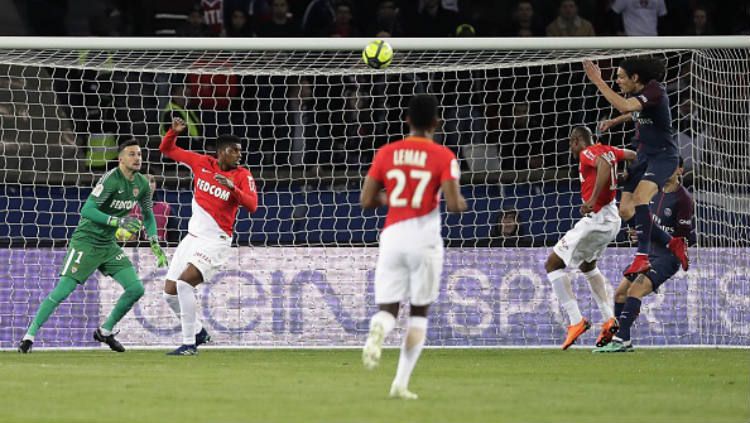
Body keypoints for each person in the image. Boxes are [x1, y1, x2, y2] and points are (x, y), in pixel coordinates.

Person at [360, 94, 467, 399]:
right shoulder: (443, 155)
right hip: (424, 239)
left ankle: (379, 328)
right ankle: (400, 383)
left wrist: (394, 198)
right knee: (419, 312)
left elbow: (367, 200)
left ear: (407, 120)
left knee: (389, 309)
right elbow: (453, 203)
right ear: (436, 122)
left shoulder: (386, 152)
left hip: (392, 236)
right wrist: (461, 202)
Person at [18, 140, 168, 353]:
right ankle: (29, 336)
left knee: (136, 288)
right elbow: (87, 210)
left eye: (140, 155)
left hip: (107, 245)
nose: (137, 159)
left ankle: (105, 332)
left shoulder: (141, 184)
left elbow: (148, 215)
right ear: (121, 159)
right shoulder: (110, 180)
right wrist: (118, 222)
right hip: (86, 242)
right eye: (132, 154)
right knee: (63, 290)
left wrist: (154, 242)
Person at [159, 117, 258, 356]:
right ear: (222, 152)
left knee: (184, 284)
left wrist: (232, 188)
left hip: (216, 240)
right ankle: (199, 331)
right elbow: (167, 150)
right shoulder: (201, 163)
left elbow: (253, 205)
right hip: (191, 238)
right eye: (234, 151)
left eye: (239, 151)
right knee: (169, 294)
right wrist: (173, 132)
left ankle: (189, 344)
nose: (238, 155)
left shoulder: (242, 175)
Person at [584, 57, 689, 278]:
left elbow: (626, 105)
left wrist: (597, 81)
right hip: (643, 155)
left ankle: (642, 257)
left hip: (662, 156)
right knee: (625, 210)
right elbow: (635, 112)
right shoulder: (641, 93)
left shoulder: (655, 90)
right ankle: (672, 243)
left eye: (621, 76)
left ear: (635, 77)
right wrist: (614, 122)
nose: (618, 80)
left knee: (641, 199)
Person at [545, 126, 636, 350]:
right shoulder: (610, 149)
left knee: (553, 264)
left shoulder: (588, 153)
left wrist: (592, 199)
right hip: (612, 218)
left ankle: (576, 321)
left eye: (570, 142)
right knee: (588, 266)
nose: (570, 147)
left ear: (577, 140)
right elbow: (634, 155)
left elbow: (603, 165)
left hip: (597, 217)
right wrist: (628, 177)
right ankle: (608, 319)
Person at [594, 158, 693, 352]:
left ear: (680, 170)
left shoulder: (684, 200)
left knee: (635, 291)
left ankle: (620, 339)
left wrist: (650, 234)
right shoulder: (651, 192)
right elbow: (643, 224)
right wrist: (638, 232)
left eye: (671, 168)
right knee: (620, 293)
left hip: (667, 257)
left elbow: (684, 239)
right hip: (648, 254)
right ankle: (625, 340)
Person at [119, 174, 171, 242]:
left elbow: (176, 235)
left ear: (155, 185)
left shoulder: (165, 208)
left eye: (152, 181)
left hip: (161, 249)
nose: (149, 184)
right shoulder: (126, 207)